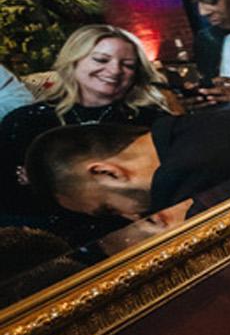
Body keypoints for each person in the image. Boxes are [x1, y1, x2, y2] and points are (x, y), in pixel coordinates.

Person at [27, 99, 230, 221]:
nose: (131, 218)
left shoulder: (189, 184)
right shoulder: (205, 125)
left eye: (110, 209)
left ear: (107, 173)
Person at [0, 25, 173, 238]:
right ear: (73, 61)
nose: (115, 70)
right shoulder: (25, 121)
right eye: (101, 60)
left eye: (128, 65)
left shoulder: (152, 119)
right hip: (50, 238)